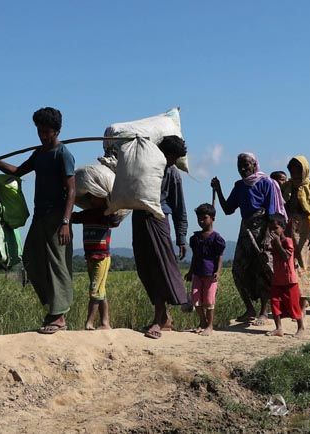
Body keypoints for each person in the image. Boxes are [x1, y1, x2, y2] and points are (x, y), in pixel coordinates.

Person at [0, 107, 76, 334]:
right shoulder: (39, 154)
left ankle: (60, 316)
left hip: (57, 216)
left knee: (57, 263)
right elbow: (17, 171)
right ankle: (51, 305)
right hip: (40, 215)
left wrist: (66, 221)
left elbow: (72, 190)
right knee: (30, 259)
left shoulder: (62, 154)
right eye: (39, 131)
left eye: (46, 132)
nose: (42, 135)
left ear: (56, 131)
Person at [211, 152, 287, 324]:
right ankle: (250, 309)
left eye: (246, 165)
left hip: (263, 230)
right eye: (240, 166)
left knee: (264, 269)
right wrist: (218, 189)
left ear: (254, 164)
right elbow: (228, 209)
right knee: (238, 269)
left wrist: (269, 238)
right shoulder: (239, 186)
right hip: (245, 230)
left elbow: (273, 212)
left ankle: (264, 312)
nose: (243, 168)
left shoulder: (267, 183)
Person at [132, 136, 190, 340]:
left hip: (158, 220)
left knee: (160, 267)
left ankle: (160, 318)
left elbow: (179, 206)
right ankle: (164, 317)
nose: (172, 162)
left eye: (175, 158)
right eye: (170, 157)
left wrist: (181, 237)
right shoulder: (143, 167)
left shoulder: (172, 174)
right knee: (144, 267)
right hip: (139, 217)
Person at [71, 194, 122, 331]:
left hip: (102, 258)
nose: (92, 200)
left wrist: (114, 207)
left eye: (96, 197)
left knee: (94, 291)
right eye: (91, 197)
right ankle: (105, 323)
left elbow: (116, 222)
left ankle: (89, 322)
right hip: (90, 257)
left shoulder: (106, 215)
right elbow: (73, 218)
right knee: (101, 291)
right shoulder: (87, 214)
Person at [283, 156, 310, 310]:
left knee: (303, 264)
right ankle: (291, 301)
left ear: (304, 170)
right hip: (288, 229)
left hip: (304, 230)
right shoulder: (287, 187)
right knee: (289, 264)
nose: (294, 171)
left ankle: (303, 300)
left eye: (298, 168)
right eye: (292, 168)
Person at [184, 203, 226, 336]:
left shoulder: (217, 239)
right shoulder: (195, 238)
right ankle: (202, 321)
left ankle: (210, 325)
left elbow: (220, 257)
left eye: (204, 218)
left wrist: (218, 272)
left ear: (212, 218)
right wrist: (190, 272)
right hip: (197, 273)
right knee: (196, 298)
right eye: (199, 218)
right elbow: (195, 256)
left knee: (208, 300)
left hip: (210, 274)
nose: (201, 221)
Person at [266, 214, 305, 337]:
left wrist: (277, 243)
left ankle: (301, 327)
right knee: (274, 303)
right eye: (271, 229)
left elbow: (286, 256)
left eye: (275, 228)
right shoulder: (274, 242)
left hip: (289, 280)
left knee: (293, 304)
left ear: (282, 228)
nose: (273, 231)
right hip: (277, 279)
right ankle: (279, 328)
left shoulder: (287, 241)